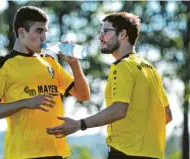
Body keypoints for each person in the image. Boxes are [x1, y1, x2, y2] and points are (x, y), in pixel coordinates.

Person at [46, 12, 172, 159]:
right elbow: (167, 116)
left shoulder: (122, 66)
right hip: (153, 154)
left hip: (125, 152)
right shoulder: (150, 69)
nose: (100, 37)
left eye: (105, 31)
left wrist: (79, 124)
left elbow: (118, 110)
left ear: (122, 34)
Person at [0, 6, 90, 159]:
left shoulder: (50, 62)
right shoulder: (3, 65)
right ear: (21, 32)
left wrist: (74, 65)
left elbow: (83, 95)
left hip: (56, 152)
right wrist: (25, 102)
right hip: (23, 154)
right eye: (39, 31)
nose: (44, 37)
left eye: (46, 31)